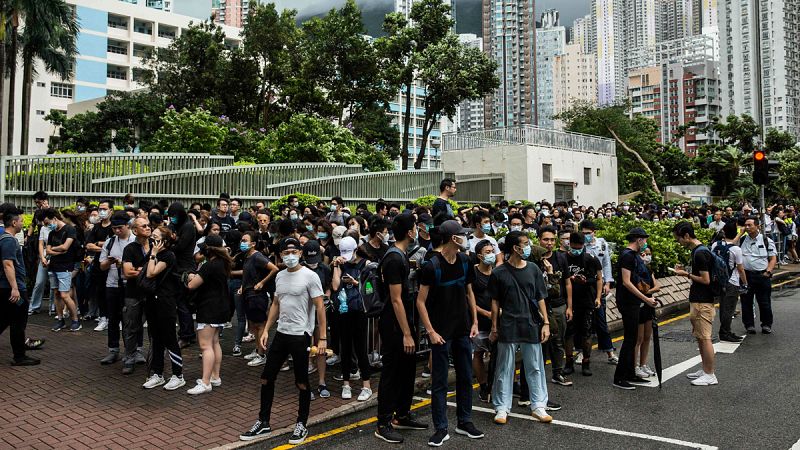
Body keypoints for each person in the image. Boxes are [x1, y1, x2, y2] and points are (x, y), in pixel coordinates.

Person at [239, 237, 326, 445]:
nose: (289, 256)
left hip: (301, 335)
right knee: (266, 378)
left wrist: (322, 338)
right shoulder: (280, 277)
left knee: (302, 382)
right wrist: (266, 330)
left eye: (293, 252)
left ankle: (301, 423)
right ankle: (263, 421)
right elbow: (277, 304)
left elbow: (320, 307)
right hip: (282, 333)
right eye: (285, 253)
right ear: (280, 255)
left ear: (300, 253)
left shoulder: (310, 276)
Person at [416, 220, 483, 447]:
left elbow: (469, 293)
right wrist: (431, 331)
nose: (465, 237)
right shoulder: (431, 266)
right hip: (441, 333)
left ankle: (464, 421)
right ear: (453, 238)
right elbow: (420, 302)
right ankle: (441, 428)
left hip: (463, 329)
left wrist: (474, 321)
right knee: (440, 382)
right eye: (462, 235)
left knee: (465, 376)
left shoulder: (465, 261)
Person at [374, 213, 428, 443]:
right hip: (395, 325)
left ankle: (402, 414)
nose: (417, 230)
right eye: (415, 227)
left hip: (405, 320)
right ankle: (383, 422)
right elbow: (395, 299)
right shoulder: (394, 258)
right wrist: (406, 333)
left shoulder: (401, 255)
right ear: (409, 232)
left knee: (407, 370)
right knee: (392, 371)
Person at [489, 230, 552, 425]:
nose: (528, 246)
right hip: (508, 324)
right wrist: (494, 327)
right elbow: (495, 302)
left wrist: (546, 323)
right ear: (515, 248)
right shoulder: (499, 272)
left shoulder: (533, 268)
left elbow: (541, 297)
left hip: (531, 323)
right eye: (525, 243)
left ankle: (539, 405)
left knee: (535, 366)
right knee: (504, 367)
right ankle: (501, 407)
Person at [185, 234, 232, 395]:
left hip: (209, 308)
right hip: (221, 307)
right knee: (214, 342)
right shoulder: (224, 263)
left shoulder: (209, 266)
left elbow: (192, 285)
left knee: (205, 346)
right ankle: (215, 376)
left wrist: (190, 277)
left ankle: (205, 382)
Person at [141, 225, 186, 391]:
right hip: (152, 299)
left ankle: (178, 375)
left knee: (169, 338)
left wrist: (153, 254)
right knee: (156, 338)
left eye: (156, 236)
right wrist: (152, 255)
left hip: (165, 301)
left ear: (164, 241)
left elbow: (150, 273)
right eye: (152, 236)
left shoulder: (168, 256)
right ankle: (157, 374)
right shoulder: (154, 254)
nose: (152, 239)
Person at [613, 227, 658, 390]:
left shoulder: (633, 256)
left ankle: (631, 373)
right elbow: (626, 282)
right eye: (644, 240)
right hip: (628, 302)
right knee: (630, 339)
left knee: (633, 339)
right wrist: (645, 298)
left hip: (635, 302)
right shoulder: (627, 256)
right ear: (638, 240)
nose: (645, 243)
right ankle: (619, 377)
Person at [673, 222, 717, 386]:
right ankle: (705, 369)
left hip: (703, 301)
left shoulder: (699, 253)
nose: (679, 242)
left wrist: (686, 274)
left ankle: (710, 374)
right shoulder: (700, 251)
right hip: (699, 300)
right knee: (700, 337)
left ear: (686, 236)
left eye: (679, 239)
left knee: (705, 338)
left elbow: (706, 280)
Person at [331, 236, 373, 401]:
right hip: (344, 310)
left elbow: (370, 288)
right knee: (346, 348)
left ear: (357, 249)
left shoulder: (367, 264)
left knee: (361, 348)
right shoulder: (341, 264)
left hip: (360, 310)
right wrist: (336, 266)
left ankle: (366, 386)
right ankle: (346, 384)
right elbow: (335, 286)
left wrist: (356, 283)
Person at [0, 204, 40, 366]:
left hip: (6, 287)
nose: (23, 223)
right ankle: (20, 356)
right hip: (12, 288)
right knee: (17, 322)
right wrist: (15, 288)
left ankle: (20, 355)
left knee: (4, 319)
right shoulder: (9, 241)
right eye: (21, 221)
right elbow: (8, 264)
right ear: (14, 223)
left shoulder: (4, 238)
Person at [99, 212, 138, 365]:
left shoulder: (136, 241)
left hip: (131, 285)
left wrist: (124, 264)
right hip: (112, 284)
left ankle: (137, 350)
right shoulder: (110, 242)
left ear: (128, 225)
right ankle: (113, 350)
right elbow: (101, 266)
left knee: (132, 320)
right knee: (113, 319)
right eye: (114, 228)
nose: (116, 231)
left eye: (119, 228)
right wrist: (109, 262)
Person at [564, 232, 603, 377]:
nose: (577, 250)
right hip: (570, 302)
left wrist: (598, 297)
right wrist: (571, 279)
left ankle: (586, 362)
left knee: (586, 333)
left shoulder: (590, 259)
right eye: (574, 247)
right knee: (569, 333)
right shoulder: (564, 258)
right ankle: (569, 362)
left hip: (587, 301)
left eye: (579, 247)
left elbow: (599, 278)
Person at [536, 226, 571, 386]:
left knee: (558, 341)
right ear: (539, 240)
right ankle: (539, 376)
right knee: (541, 343)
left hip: (558, 306)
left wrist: (569, 306)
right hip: (539, 308)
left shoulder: (561, 258)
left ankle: (558, 373)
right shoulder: (534, 260)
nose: (549, 243)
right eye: (545, 239)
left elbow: (567, 282)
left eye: (552, 240)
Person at [581, 220, 618, 365]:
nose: (586, 236)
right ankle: (581, 351)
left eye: (588, 234)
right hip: (583, 287)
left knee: (601, 321)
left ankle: (609, 352)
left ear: (594, 232)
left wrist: (608, 282)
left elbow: (606, 263)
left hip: (599, 286)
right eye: (583, 233)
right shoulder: (579, 246)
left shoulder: (602, 244)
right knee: (583, 323)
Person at [120, 218, 154, 375]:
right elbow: (127, 273)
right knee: (131, 326)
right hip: (133, 294)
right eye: (144, 226)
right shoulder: (130, 249)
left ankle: (154, 360)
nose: (148, 228)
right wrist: (148, 271)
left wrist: (139, 269)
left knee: (154, 328)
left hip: (153, 294)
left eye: (148, 225)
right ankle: (129, 357)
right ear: (135, 230)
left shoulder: (156, 246)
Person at [240, 231, 279, 367]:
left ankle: (262, 354)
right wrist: (242, 287)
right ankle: (257, 349)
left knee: (260, 325)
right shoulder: (247, 256)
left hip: (257, 296)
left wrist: (262, 283)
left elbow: (274, 269)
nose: (242, 243)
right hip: (248, 295)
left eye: (245, 240)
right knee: (253, 325)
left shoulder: (257, 256)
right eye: (242, 240)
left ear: (253, 244)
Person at [43, 208, 81, 332]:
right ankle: (60, 319)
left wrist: (56, 249)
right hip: (53, 266)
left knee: (65, 294)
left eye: (48, 223)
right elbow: (48, 250)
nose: (48, 225)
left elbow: (66, 247)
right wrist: (58, 250)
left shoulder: (70, 229)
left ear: (55, 218)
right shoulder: (52, 233)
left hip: (65, 267)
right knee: (56, 293)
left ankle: (75, 319)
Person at [739, 216, 777, 334]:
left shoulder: (766, 240)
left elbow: (773, 258)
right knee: (746, 302)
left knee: (764, 302)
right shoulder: (742, 240)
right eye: (746, 225)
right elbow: (731, 247)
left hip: (762, 276)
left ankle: (766, 324)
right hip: (746, 276)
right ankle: (749, 325)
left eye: (750, 225)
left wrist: (768, 272)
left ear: (758, 226)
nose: (747, 227)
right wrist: (739, 234)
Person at [167, 202, 197, 348]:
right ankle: (188, 333)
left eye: (174, 216)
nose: (172, 219)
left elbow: (179, 247)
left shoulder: (188, 227)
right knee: (181, 304)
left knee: (182, 303)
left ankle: (186, 335)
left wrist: (172, 242)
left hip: (184, 268)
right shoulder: (177, 225)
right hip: (177, 267)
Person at [712, 221, 747, 342]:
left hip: (719, 281)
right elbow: (740, 269)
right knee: (729, 309)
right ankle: (725, 332)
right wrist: (745, 283)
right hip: (732, 282)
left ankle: (725, 331)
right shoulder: (736, 249)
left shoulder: (715, 245)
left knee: (723, 308)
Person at [471, 240, 495, 402]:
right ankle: (483, 385)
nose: (491, 254)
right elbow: (469, 299)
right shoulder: (473, 274)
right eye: (487, 252)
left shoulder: (498, 273)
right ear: (479, 255)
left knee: (497, 354)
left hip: (496, 322)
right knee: (478, 353)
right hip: (479, 321)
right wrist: (485, 313)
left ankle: (496, 384)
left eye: (492, 251)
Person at [634, 245, 660, 379]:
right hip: (640, 306)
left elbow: (657, 287)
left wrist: (645, 292)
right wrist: (646, 294)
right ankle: (635, 366)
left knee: (647, 337)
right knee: (638, 338)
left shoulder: (649, 269)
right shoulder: (636, 269)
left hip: (649, 304)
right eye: (644, 254)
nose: (647, 256)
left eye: (649, 254)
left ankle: (643, 364)